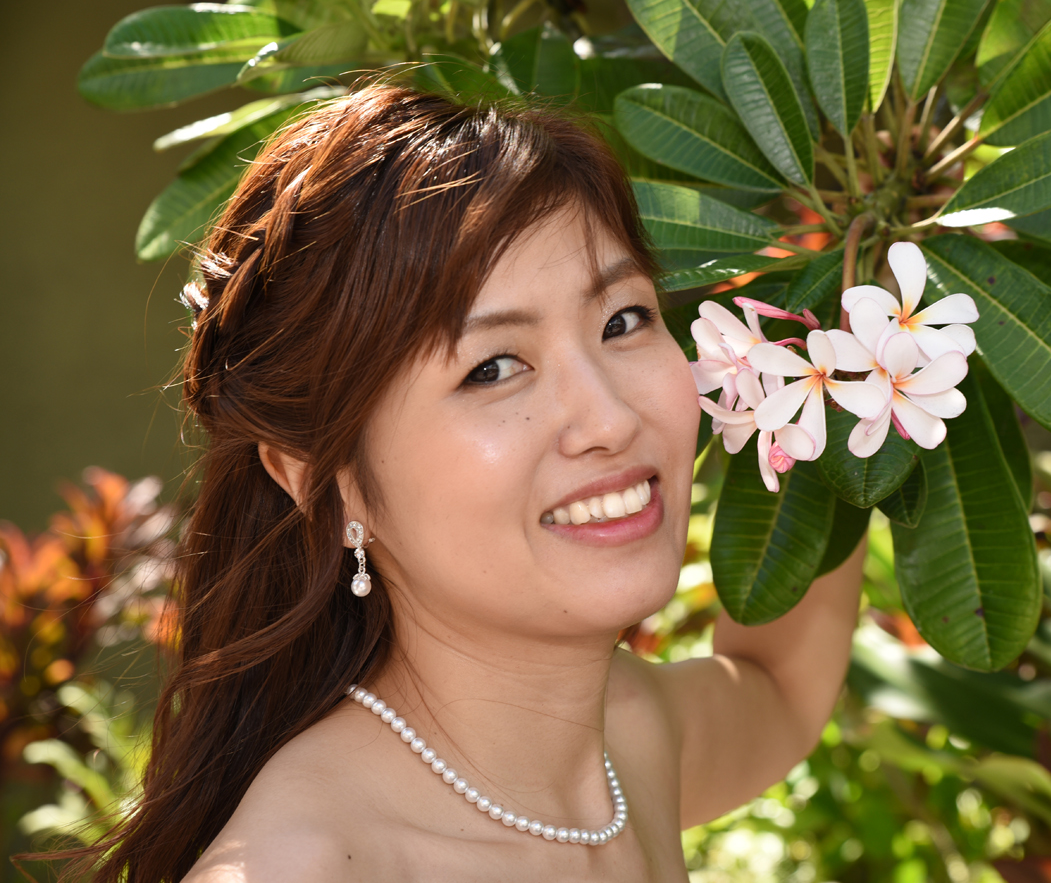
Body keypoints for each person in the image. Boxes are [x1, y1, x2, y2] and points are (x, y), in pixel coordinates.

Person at [79, 85, 866, 882]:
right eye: (492, 369)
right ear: (326, 482)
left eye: (622, 320)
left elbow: (781, 687)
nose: (609, 418)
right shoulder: (306, 865)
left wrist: (844, 368)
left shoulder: (625, 737)